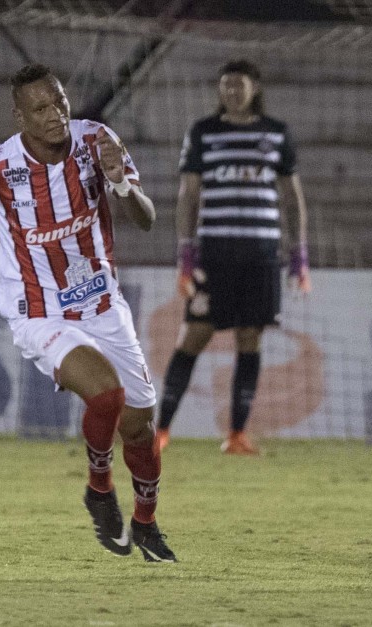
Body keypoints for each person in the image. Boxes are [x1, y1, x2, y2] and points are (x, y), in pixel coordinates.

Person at [0, 63, 176, 563]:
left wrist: (121, 181)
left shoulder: (97, 139)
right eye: (41, 108)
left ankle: (146, 524)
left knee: (139, 427)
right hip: (38, 311)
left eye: (59, 101)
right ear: (20, 117)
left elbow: (145, 218)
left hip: (103, 305)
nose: (56, 114)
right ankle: (99, 486)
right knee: (107, 395)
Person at [156, 59, 310, 455]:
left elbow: (291, 197)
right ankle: (160, 429)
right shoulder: (204, 132)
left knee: (250, 337)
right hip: (216, 254)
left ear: (254, 87)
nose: (230, 92)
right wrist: (186, 257)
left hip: (261, 254)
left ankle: (237, 434)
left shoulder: (275, 134)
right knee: (195, 334)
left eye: (238, 85)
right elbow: (188, 194)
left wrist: (299, 257)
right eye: (225, 85)